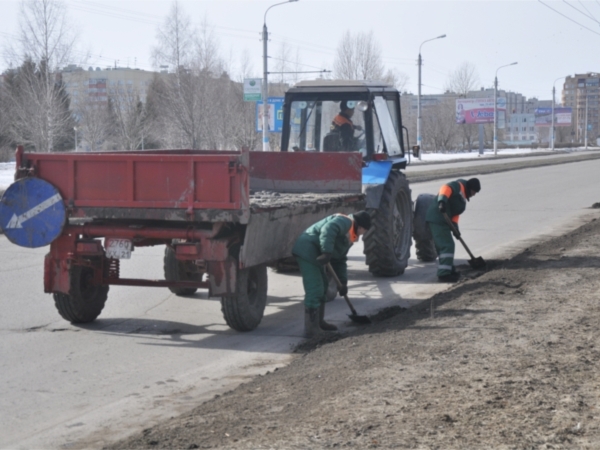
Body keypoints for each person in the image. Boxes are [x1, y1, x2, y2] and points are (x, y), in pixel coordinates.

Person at [292, 211, 372, 338]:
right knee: (315, 289)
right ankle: (311, 330)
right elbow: (328, 228)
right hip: (307, 250)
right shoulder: (346, 222)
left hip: (316, 254)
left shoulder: (350, 236)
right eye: (365, 231)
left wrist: (343, 282)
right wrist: (327, 251)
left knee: (323, 287)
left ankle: (319, 322)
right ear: (361, 227)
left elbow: (340, 259)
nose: (364, 234)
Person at [426, 178, 481, 283]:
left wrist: (455, 228)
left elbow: (455, 215)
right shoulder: (458, 186)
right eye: (474, 192)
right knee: (447, 246)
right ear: (470, 188)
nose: (474, 195)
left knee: (447, 245)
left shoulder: (462, 200)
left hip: (444, 221)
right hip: (437, 218)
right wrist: (442, 201)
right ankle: (443, 275)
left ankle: (449, 270)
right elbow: (445, 188)